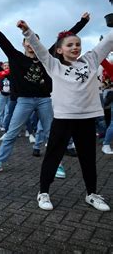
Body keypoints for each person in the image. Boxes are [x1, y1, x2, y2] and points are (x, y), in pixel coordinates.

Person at [17, 20, 112, 212]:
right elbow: (40, 49)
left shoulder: (91, 60)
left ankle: (91, 194)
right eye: (70, 45)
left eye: (77, 44)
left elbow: (108, 42)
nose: (75, 47)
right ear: (59, 50)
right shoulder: (54, 65)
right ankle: (43, 192)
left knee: (88, 157)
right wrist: (27, 31)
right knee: (53, 155)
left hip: (87, 119)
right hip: (63, 119)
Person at [0, 13, 90, 174]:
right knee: (11, 133)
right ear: (23, 43)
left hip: (44, 100)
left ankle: (57, 164)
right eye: (27, 41)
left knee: (51, 133)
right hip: (24, 101)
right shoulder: (16, 57)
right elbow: (2, 41)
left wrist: (82, 22)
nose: (30, 44)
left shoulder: (47, 57)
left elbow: (65, 38)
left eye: (33, 41)